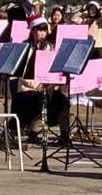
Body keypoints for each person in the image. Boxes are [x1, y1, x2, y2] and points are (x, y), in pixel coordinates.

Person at [11, 14, 70, 146]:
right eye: (40, 30)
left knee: (63, 100)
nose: (43, 34)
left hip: (45, 86)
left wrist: (50, 84)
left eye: (45, 30)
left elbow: (52, 69)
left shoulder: (49, 47)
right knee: (39, 100)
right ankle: (33, 133)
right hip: (27, 87)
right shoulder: (24, 47)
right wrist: (35, 84)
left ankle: (64, 135)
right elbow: (19, 73)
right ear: (33, 30)